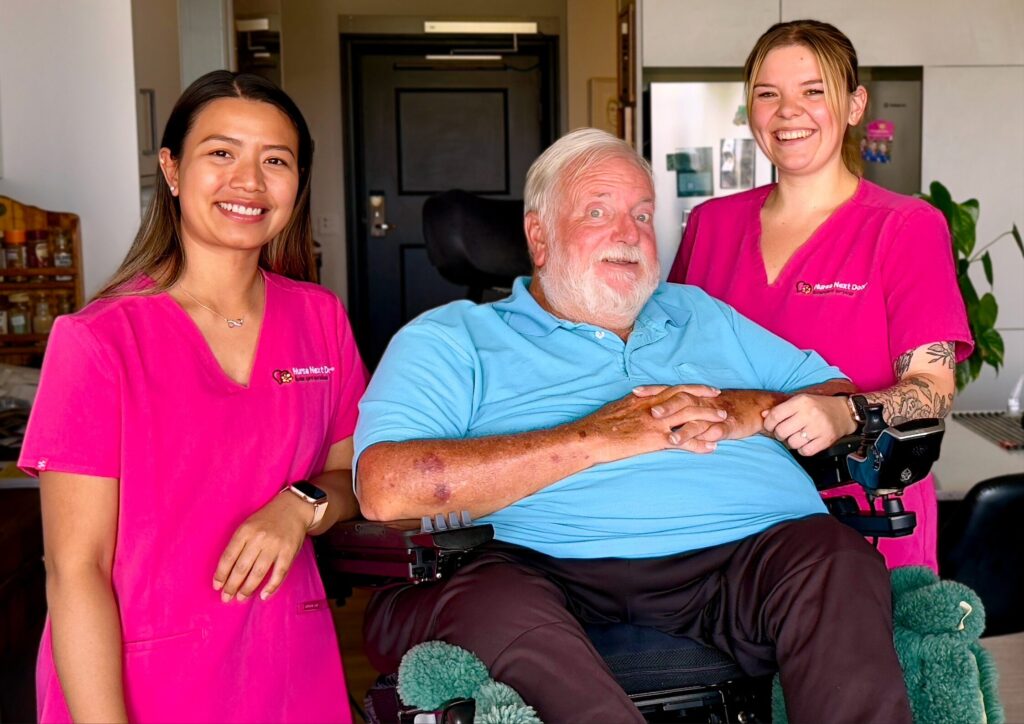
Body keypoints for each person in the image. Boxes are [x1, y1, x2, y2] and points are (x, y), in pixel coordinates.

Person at [354, 128, 912, 723]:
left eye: (642, 215)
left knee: (835, 558)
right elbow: (388, 489)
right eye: (598, 212)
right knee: (491, 605)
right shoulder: (453, 338)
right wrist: (600, 436)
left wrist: (742, 410)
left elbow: (834, 392)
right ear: (539, 237)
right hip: (539, 567)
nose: (628, 235)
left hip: (745, 559)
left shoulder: (699, 311)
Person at [19, 71, 366, 723]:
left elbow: (352, 475)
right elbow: (76, 571)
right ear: (172, 171)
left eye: (275, 161)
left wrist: (298, 507)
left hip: (291, 663)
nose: (249, 182)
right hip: (143, 680)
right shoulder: (98, 341)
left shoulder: (319, 318)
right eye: (221, 153)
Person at [668, 20, 971, 571]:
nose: (789, 112)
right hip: (725, 515)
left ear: (855, 105)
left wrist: (847, 413)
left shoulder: (905, 227)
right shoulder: (710, 224)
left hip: (865, 516)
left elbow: (933, 387)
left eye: (813, 92)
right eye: (768, 94)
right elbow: (671, 359)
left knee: (864, 654)